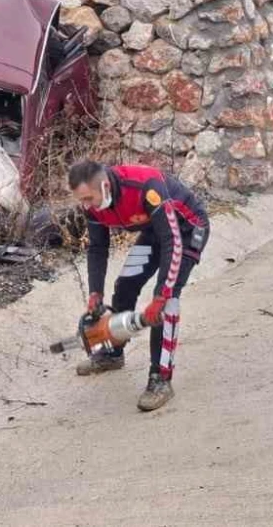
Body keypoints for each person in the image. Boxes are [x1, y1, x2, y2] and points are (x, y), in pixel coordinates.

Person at [68, 161, 209, 412]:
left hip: (187, 230)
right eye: (82, 200)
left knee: (167, 301)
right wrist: (95, 293)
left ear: (105, 186)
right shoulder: (92, 207)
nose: (86, 205)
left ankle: (161, 379)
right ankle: (113, 353)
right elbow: (97, 249)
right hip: (156, 230)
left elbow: (173, 241)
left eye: (89, 198)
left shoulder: (146, 187)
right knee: (125, 286)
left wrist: (161, 295)